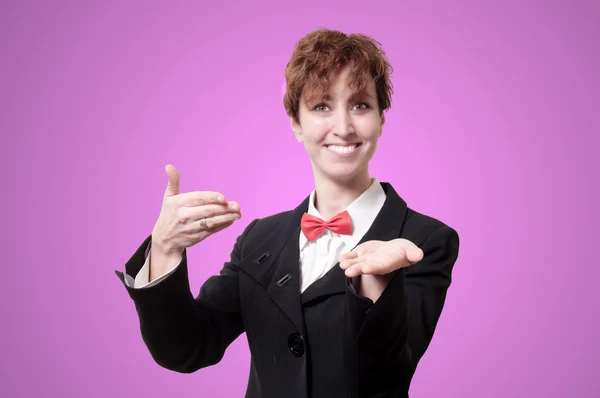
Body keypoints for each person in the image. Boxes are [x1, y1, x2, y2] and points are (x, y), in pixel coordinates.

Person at [115, 28, 460, 398]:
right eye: (321, 106)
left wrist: (377, 283)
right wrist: (165, 248)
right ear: (296, 123)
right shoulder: (259, 238)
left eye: (360, 105)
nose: (343, 128)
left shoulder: (425, 240)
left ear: (381, 119)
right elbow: (188, 348)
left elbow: (386, 376)